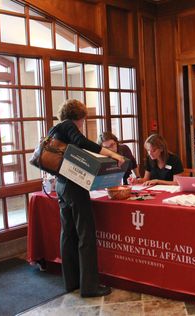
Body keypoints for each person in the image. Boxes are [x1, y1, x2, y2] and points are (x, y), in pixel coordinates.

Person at [53, 99, 125, 297]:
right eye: (84, 120)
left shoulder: (56, 128)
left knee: (67, 233)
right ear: (80, 117)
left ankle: (71, 282)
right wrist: (113, 155)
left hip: (61, 185)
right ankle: (90, 286)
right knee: (86, 235)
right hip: (74, 187)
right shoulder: (69, 126)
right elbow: (82, 143)